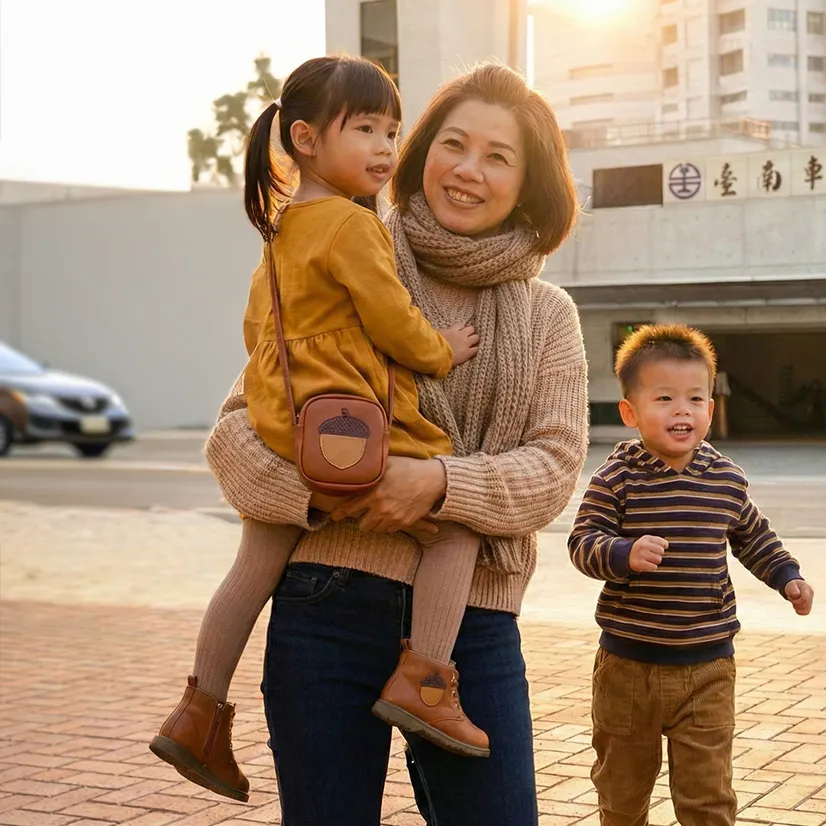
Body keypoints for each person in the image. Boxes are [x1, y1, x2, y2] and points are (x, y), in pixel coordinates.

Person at [196, 63, 588, 825]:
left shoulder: (548, 315)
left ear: (528, 182)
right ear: (419, 153)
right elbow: (239, 428)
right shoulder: (341, 245)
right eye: (453, 144)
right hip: (326, 603)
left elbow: (553, 470)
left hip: (472, 624)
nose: (468, 171)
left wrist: (437, 485)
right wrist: (332, 487)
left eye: (498, 157)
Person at [150, 55, 493, 802]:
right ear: (304, 138)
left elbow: (255, 331)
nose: (383, 147)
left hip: (285, 422)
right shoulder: (349, 223)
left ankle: (198, 712)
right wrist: (442, 349)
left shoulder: (280, 231)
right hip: (353, 429)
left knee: (253, 566)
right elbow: (391, 316)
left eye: (393, 131)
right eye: (365, 128)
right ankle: (427, 682)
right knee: (458, 521)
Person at [568, 324, 815, 826]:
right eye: (664, 398)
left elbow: (752, 536)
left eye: (695, 398)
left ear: (710, 407)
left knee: (707, 797)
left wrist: (786, 575)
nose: (683, 410)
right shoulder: (617, 476)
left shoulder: (725, 477)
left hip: (707, 669)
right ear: (630, 412)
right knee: (622, 791)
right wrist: (622, 552)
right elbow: (582, 541)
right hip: (627, 669)